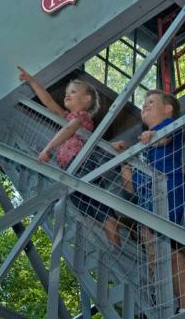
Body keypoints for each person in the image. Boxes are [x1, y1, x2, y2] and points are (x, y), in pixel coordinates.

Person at [18, 66, 122, 247]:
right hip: (73, 168)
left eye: (73, 92)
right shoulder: (68, 115)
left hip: (80, 163)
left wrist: (49, 148)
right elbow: (49, 102)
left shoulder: (82, 116)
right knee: (82, 202)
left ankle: (111, 225)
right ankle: (111, 225)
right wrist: (32, 81)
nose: (67, 94)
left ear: (87, 99)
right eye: (67, 92)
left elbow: (69, 130)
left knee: (90, 202)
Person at [117, 90, 185, 311]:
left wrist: (151, 138)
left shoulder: (168, 126)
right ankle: (165, 302)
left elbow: (165, 139)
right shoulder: (142, 146)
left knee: (169, 248)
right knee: (152, 250)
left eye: (151, 102)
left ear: (168, 109)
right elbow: (130, 187)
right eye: (143, 103)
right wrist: (124, 161)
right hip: (147, 204)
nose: (145, 106)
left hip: (168, 191)